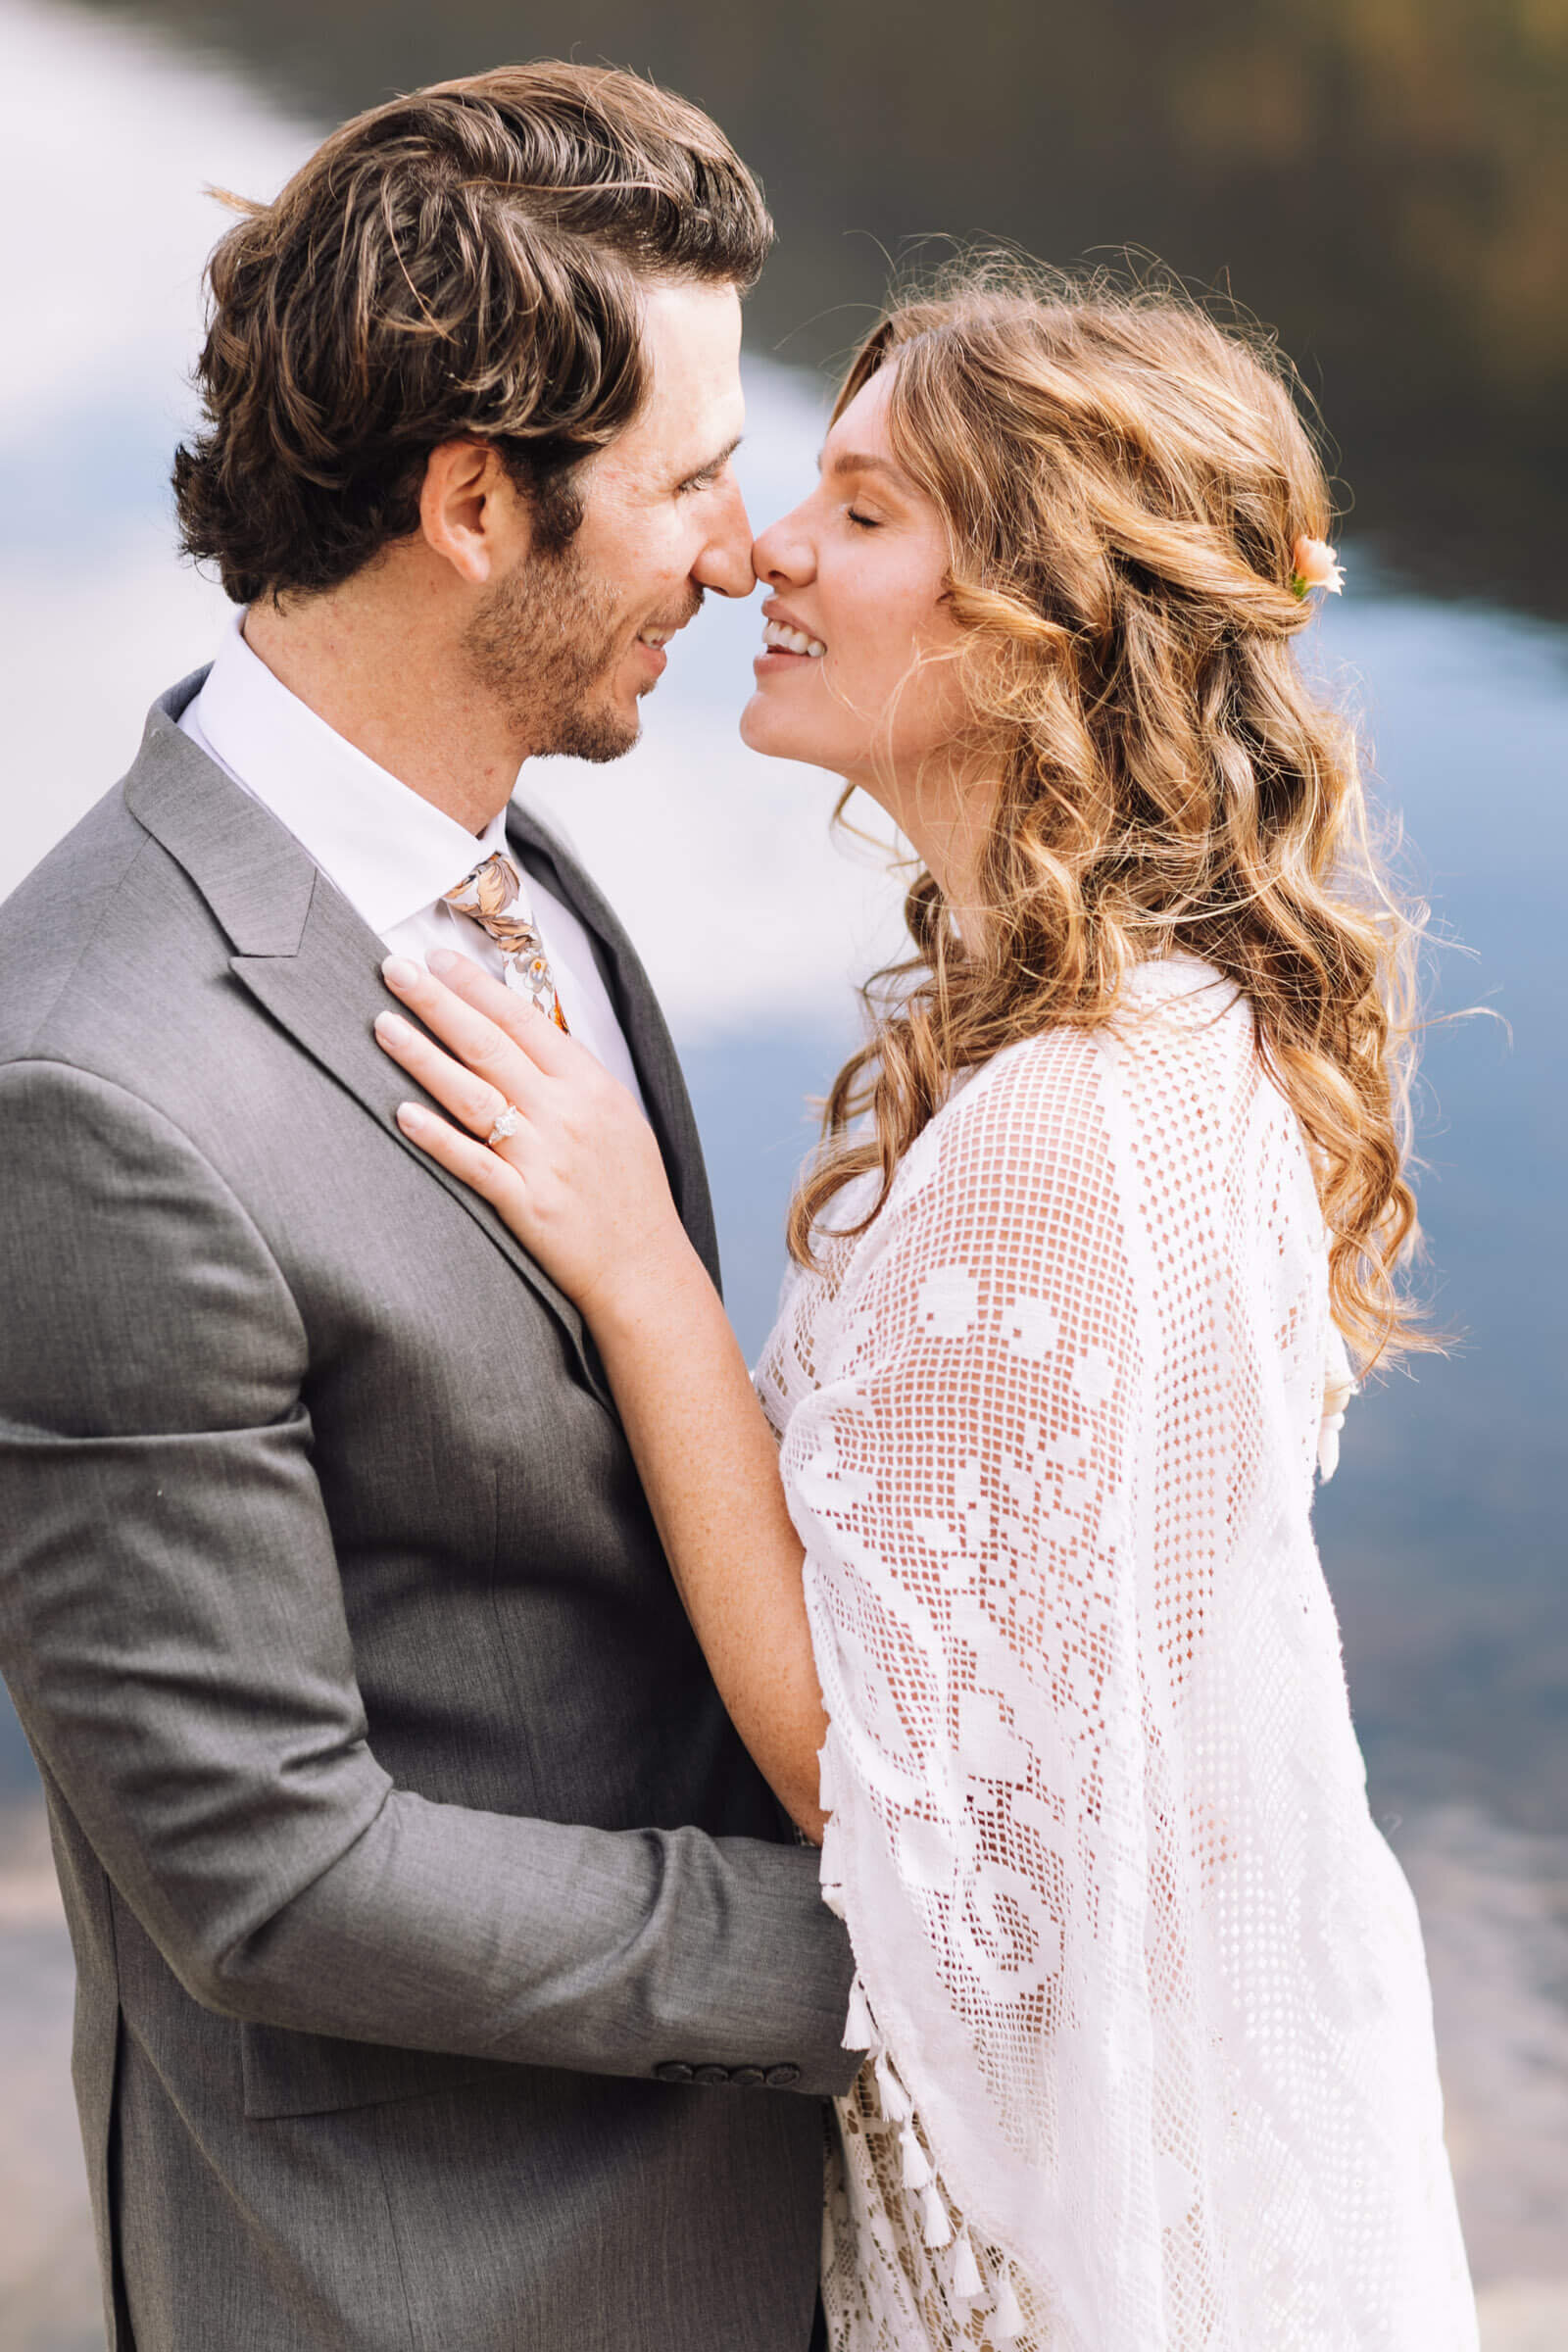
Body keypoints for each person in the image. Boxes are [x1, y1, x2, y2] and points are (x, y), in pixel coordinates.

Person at [374, 270, 1482, 2350]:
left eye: (863, 513)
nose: (769, 549)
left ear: (1032, 619)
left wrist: (636, 1273)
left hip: (1075, 2240)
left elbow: (872, 1781)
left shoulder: (1064, 1129)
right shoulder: (1141, 1031)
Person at [0, 65, 859, 2352]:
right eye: (690, 477)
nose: (748, 547)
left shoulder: (524, 879)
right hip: (442, 2280)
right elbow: (267, 1873)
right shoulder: (92, 1090)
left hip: (748, 2220)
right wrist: (907, 1956)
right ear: (475, 502)